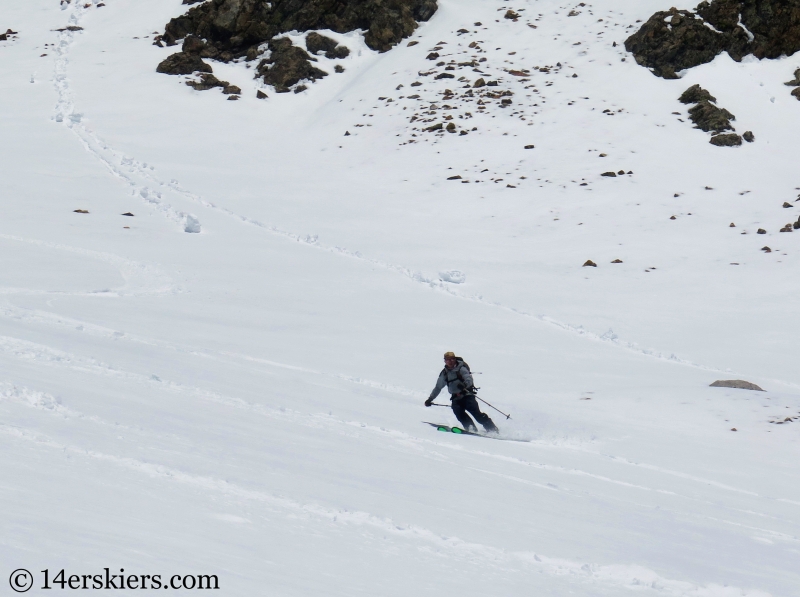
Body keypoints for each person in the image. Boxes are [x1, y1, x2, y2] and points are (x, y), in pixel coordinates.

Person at [425, 352, 498, 433]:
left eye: (452, 359)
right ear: (445, 361)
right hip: (455, 398)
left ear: (455, 359)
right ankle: (471, 429)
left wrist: (464, 386)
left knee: (477, 415)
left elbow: (469, 379)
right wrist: (430, 399)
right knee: (459, 414)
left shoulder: (461, 368)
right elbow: (438, 387)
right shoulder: (444, 373)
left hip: (467, 396)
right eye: (448, 360)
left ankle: (493, 430)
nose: (450, 361)